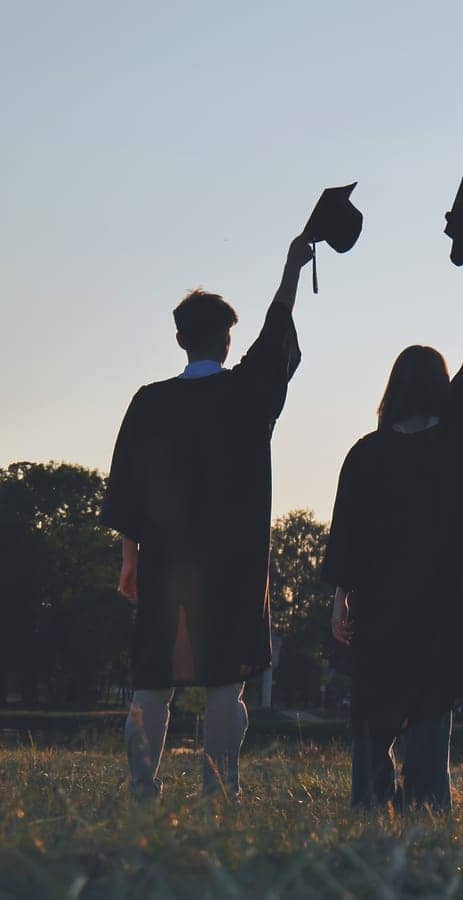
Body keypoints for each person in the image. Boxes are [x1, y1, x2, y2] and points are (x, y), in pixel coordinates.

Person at [102, 236, 312, 800]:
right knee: (225, 684)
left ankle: (142, 787)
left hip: (165, 561)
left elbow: (126, 487)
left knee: (152, 682)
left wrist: (130, 560)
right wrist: (292, 265)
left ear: (178, 339)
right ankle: (219, 792)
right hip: (233, 567)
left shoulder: (149, 402)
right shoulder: (246, 393)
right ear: (226, 339)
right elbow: (277, 333)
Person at [322, 262, 463, 813]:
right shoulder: (453, 448)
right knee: (430, 708)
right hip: (440, 603)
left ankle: (369, 804)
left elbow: (345, 532)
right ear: (440, 390)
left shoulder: (366, 453)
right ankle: (426, 804)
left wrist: (339, 600)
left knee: (374, 708)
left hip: (380, 602)